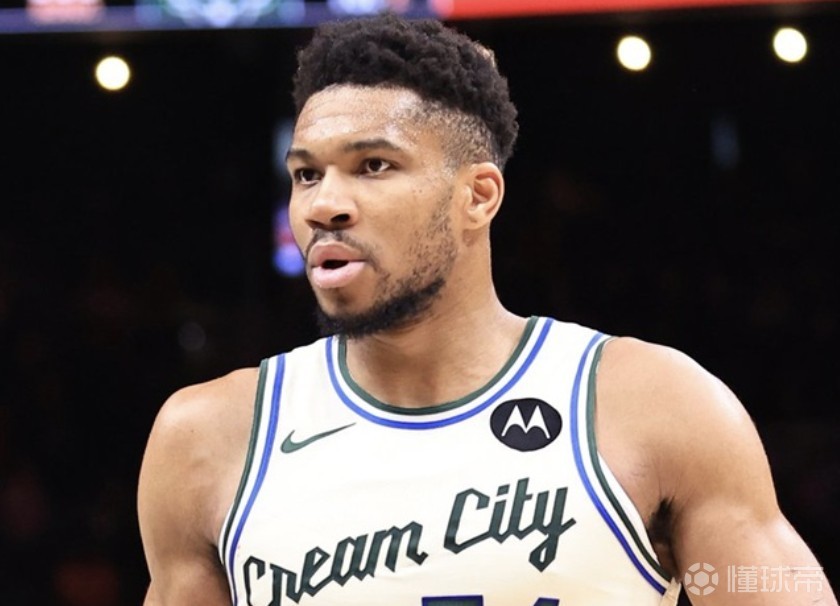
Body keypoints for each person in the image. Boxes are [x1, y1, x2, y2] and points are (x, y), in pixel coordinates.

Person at [137, 14, 837, 606]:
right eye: (306, 173)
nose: (323, 205)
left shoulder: (654, 405)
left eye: (374, 165)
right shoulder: (207, 439)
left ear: (478, 196)